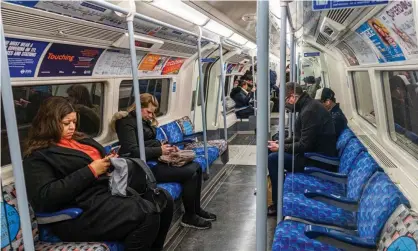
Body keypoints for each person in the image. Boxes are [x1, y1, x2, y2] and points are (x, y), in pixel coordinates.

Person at [23, 97, 173, 251]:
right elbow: (45, 197)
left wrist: (108, 163)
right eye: (66, 123)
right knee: (148, 214)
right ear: (50, 122)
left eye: (74, 122)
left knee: (164, 200)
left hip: (104, 192)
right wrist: (92, 171)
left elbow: (95, 159)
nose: (72, 127)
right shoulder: (38, 155)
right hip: (79, 211)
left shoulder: (79, 139)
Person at [112, 93, 216, 230]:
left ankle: (196, 210)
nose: (150, 115)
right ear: (138, 107)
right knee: (190, 172)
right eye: (148, 111)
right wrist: (160, 150)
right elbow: (133, 151)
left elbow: (147, 141)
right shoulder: (125, 122)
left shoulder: (142, 121)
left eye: (152, 112)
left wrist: (163, 145)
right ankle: (189, 216)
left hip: (152, 160)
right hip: (141, 168)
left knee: (196, 167)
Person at [267, 82, 337, 216]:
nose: (286, 104)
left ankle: (278, 203)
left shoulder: (309, 111)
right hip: (311, 153)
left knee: (274, 159)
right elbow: (299, 137)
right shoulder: (307, 107)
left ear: (293, 97)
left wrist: (281, 147)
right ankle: (273, 194)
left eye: (286, 100)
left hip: (317, 159)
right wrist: (279, 142)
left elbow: (304, 145)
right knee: (270, 151)